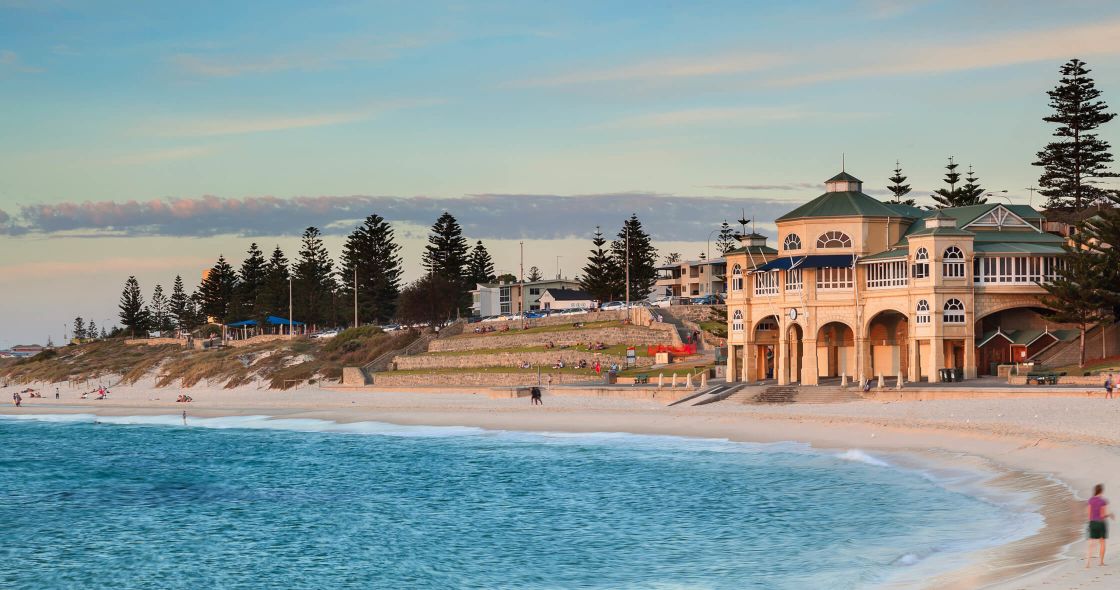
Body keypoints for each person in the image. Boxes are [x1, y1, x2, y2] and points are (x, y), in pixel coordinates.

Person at [1088, 484, 1114, 567]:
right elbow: (1102, 515)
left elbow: (1089, 514)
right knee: (1102, 542)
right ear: (1101, 491)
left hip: (1092, 522)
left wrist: (1090, 523)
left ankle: (1088, 562)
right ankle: (1101, 562)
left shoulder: (1090, 500)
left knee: (1091, 542)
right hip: (1100, 523)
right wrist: (1110, 515)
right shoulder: (1103, 501)